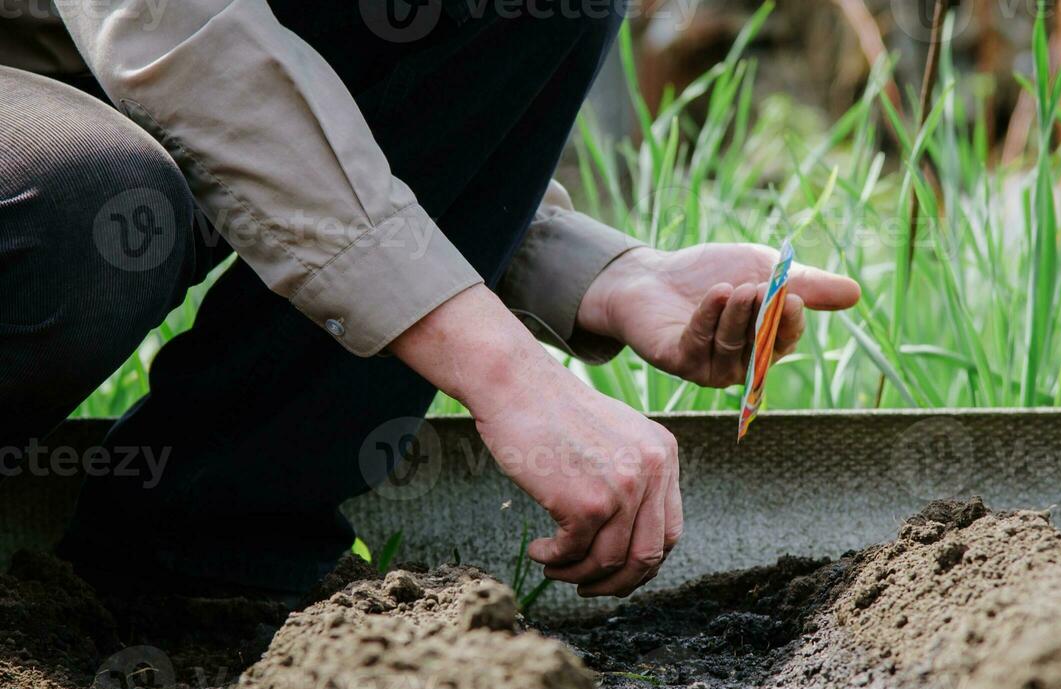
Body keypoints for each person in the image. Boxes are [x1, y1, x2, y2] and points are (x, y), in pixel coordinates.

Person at [0, 0, 861, 600]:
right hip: (50, 109)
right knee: (85, 209)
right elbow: (186, 52)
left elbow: (301, 79)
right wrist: (507, 374)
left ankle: (196, 564)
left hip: (131, 93)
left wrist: (597, 272)